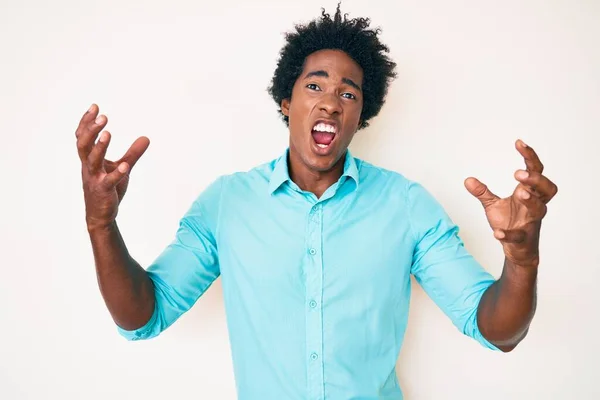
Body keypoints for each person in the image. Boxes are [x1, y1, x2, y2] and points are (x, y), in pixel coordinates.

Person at [75, 5, 557, 399]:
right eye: (315, 85)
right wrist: (101, 225)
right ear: (286, 101)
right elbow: (142, 314)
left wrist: (522, 260)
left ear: (359, 115)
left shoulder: (406, 205)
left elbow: (496, 330)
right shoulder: (228, 203)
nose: (331, 101)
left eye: (349, 93)